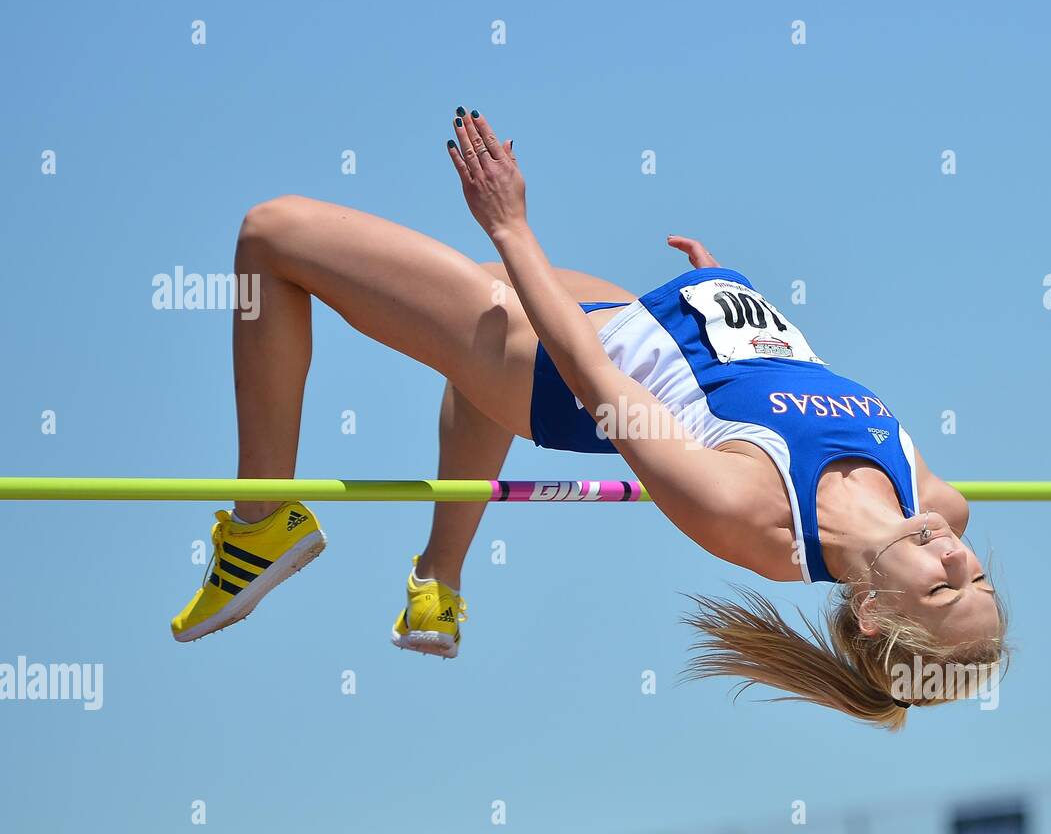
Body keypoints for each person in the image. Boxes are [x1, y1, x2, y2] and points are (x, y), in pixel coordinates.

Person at [171, 106, 1008, 728]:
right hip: (656, 324)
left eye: (944, 587)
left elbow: (596, 377)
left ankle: (259, 526)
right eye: (981, 576)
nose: (960, 555)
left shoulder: (754, 515)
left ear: (869, 614)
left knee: (273, 234)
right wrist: (729, 300)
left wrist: (511, 227)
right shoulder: (936, 504)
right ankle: (439, 583)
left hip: (557, 371)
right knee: (446, 326)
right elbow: (799, 388)